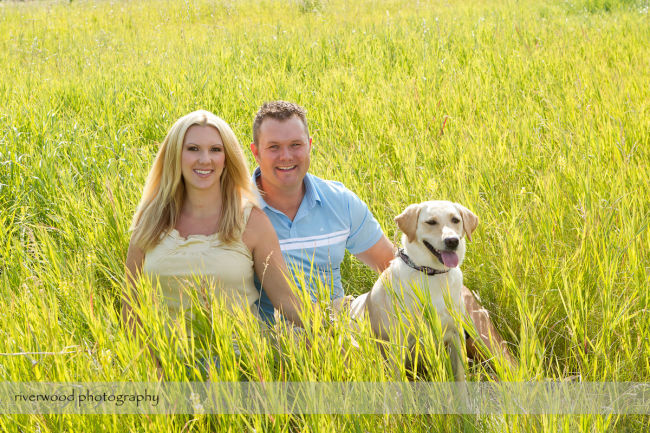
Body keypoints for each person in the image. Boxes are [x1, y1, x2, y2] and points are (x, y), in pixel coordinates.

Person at [249, 101, 515, 364]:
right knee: (340, 349)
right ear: (256, 153)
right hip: (281, 324)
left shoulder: (338, 200)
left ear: (309, 145)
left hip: (341, 314)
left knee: (458, 293)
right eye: (274, 147)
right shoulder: (239, 211)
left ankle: (513, 378)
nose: (286, 156)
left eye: (295, 145)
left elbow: (390, 264)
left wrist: (434, 308)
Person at [122, 110, 302, 374]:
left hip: (238, 369)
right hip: (166, 367)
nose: (205, 159)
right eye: (193, 148)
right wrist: (155, 372)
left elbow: (288, 302)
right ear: (175, 155)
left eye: (215, 149)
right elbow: (131, 310)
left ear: (227, 157)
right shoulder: (149, 222)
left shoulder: (252, 222)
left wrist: (333, 337)